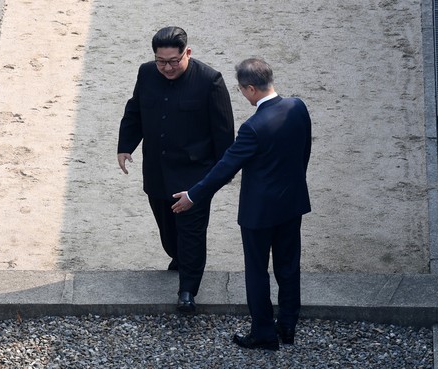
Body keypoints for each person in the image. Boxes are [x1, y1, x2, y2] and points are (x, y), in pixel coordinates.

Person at [172, 58, 311, 350]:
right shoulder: (298, 107)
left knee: (257, 271)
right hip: (292, 203)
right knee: (289, 267)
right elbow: (303, 154)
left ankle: (263, 332)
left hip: (259, 212)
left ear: (250, 89)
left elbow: (225, 169)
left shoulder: (253, 127)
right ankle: (287, 326)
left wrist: (193, 195)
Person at [117, 26, 235, 313]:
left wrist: (217, 179)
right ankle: (179, 257)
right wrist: (125, 146)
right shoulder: (146, 73)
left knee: (192, 232)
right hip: (157, 170)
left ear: (188, 53)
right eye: (161, 61)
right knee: (169, 232)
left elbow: (223, 133)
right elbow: (135, 110)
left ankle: (187, 290)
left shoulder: (211, 81)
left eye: (173, 61)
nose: (166, 68)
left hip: (195, 174)